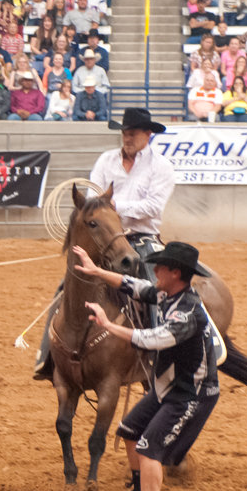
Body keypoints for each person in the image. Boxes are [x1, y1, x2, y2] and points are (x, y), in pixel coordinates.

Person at [72, 241, 219, 491]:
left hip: (190, 393)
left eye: (161, 267)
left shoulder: (187, 313)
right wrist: (96, 270)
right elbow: (134, 286)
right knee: (129, 431)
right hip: (169, 386)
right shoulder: (169, 294)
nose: (155, 270)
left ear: (175, 273)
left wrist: (106, 324)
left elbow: (152, 338)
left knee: (149, 449)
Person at [36, 108, 176, 379]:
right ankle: (48, 356)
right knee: (67, 288)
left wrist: (111, 208)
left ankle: (159, 356)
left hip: (143, 239)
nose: (127, 137)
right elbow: (91, 200)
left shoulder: (161, 167)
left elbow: (153, 207)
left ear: (148, 134)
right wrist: (104, 215)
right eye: (124, 132)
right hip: (103, 239)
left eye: (133, 133)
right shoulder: (106, 160)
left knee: (154, 291)